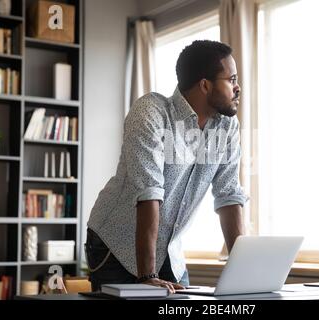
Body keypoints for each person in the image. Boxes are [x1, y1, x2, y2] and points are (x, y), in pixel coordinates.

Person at [85, 40, 248, 293]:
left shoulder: (227, 127)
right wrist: (147, 276)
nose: (238, 88)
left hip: (170, 252)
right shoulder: (151, 112)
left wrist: (244, 275)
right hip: (116, 246)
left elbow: (228, 195)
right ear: (205, 85)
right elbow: (149, 192)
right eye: (232, 79)